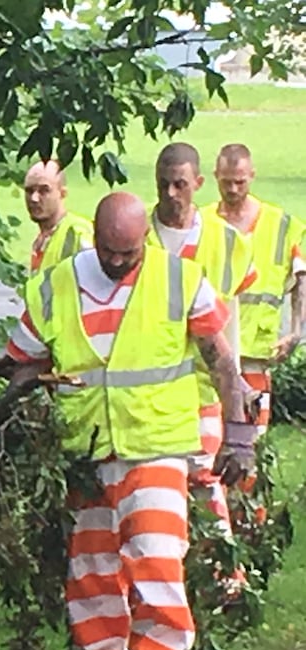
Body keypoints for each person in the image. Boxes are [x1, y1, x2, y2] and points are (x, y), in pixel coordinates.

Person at [0, 192, 250, 650]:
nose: (117, 262)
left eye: (128, 253)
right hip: (85, 451)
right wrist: (14, 393)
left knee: (157, 556)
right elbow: (19, 360)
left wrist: (238, 436)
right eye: (109, 251)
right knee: (92, 568)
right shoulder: (56, 284)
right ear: (95, 236)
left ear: (144, 241)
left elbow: (222, 361)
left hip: (157, 444)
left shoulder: (180, 279)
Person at [148, 142, 257, 536]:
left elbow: (231, 321)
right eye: (163, 185)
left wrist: (237, 383)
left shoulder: (228, 242)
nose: (171, 195)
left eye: (180, 185)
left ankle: (225, 580)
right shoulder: (137, 237)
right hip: (151, 394)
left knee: (206, 484)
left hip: (205, 390)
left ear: (197, 183)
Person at [205, 143, 306, 445]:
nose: (233, 189)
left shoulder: (282, 225)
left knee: (252, 441)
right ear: (215, 177)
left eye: (240, 181)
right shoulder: (200, 222)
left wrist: (296, 332)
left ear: (252, 176)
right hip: (208, 354)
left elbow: (301, 280)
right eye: (226, 182)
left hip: (255, 355)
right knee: (209, 440)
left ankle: (245, 493)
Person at [24, 159, 93, 274]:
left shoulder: (77, 232)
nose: (34, 198)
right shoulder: (42, 240)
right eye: (29, 191)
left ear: (62, 193)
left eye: (44, 190)